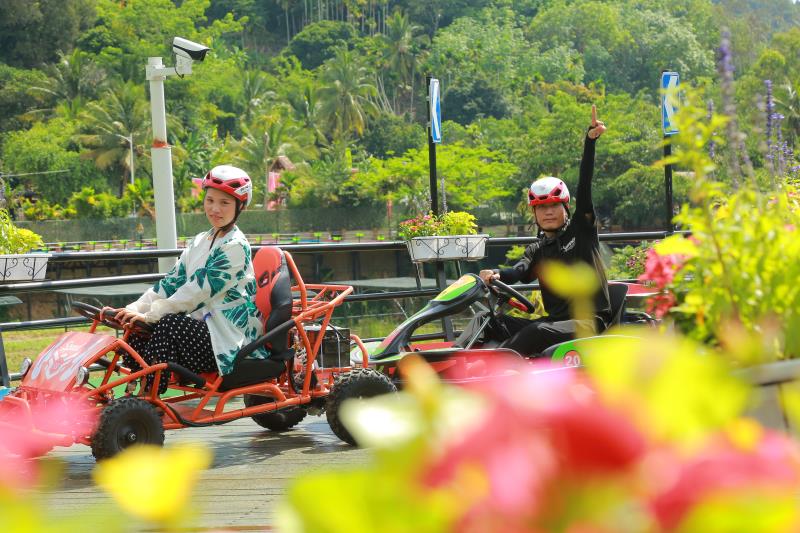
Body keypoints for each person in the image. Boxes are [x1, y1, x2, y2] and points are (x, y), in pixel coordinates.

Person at [458, 105, 612, 356]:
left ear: (566, 208)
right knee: (486, 320)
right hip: (555, 323)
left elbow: (585, 187)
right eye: (541, 208)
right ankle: (450, 361)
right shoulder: (537, 249)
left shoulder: (581, 231)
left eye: (553, 206)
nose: (548, 212)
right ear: (535, 214)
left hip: (589, 323)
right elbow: (518, 272)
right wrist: (496, 273)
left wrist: (590, 142)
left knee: (536, 331)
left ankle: (494, 370)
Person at [112, 165, 269, 392]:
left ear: (240, 206)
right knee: (136, 327)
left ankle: (149, 395)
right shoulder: (200, 241)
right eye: (210, 200)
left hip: (227, 339)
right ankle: (135, 390)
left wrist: (151, 315)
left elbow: (197, 291)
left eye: (224, 203)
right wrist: (133, 309)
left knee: (168, 324)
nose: (215, 209)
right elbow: (171, 283)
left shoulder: (235, 246)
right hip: (203, 332)